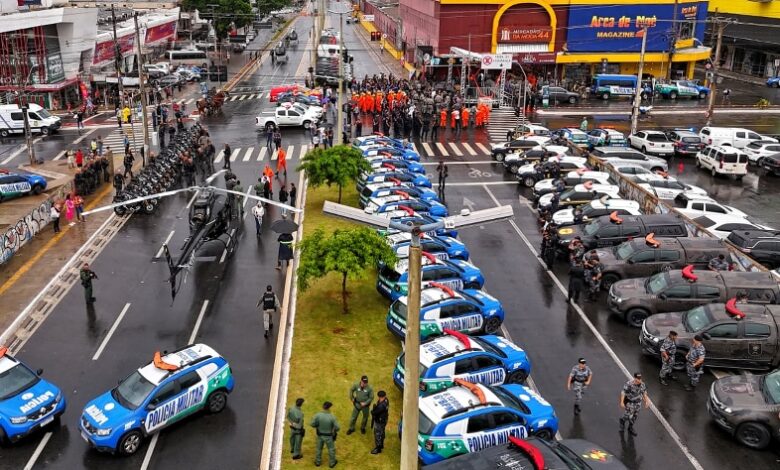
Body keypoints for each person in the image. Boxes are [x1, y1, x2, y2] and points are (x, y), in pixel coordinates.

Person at [310, 401, 339, 468]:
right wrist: (334, 430)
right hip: (329, 436)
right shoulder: (332, 417)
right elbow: (337, 427)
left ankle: (318, 462)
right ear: (329, 408)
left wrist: (317, 426)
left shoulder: (318, 415)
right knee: (331, 449)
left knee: (319, 449)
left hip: (320, 435)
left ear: (323, 407)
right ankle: (332, 463)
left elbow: (312, 424)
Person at [619, 372, 649, 437]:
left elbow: (644, 392)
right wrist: (621, 402)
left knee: (634, 416)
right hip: (630, 403)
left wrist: (646, 401)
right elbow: (623, 392)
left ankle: (630, 427)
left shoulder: (642, 384)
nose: (639, 380)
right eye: (638, 378)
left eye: (640, 378)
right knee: (627, 415)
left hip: (638, 403)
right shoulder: (629, 384)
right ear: (635, 378)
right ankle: (622, 421)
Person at [370, 390, 389, 454]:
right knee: (382, 432)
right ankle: (381, 444)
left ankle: (378, 448)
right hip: (384, 419)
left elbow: (375, 412)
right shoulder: (386, 400)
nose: (379, 398)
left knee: (377, 434)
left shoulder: (381, 405)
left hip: (379, 421)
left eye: (380, 397)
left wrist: (372, 412)